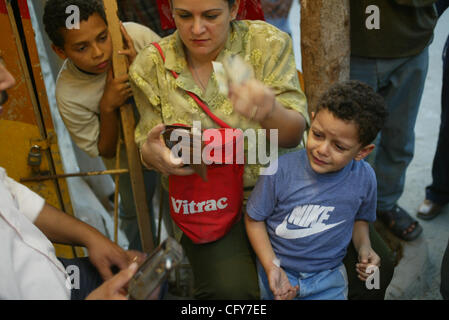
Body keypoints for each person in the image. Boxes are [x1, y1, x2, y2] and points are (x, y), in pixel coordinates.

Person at [130, 0, 308, 299]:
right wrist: (154, 155)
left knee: (353, 270)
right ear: (170, 10)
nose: (197, 29)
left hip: (280, 192)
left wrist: (268, 111)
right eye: (184, 16)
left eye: (211, 16)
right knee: (231, 292)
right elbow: (148, 143)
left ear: (235, 8)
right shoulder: (151, 65)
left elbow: (292, 135)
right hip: (206, 204)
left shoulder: (267, 43)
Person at [0, 58, 143, 300]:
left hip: (60, 277)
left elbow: (16, 199)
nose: (10, 80)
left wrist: (92, 238)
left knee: (142, 276)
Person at [245, 80, 385, 300]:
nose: (322, 149)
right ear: (312, 120)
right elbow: (254, 219)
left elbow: (359, 219)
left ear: (362, 151)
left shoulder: (365, 178)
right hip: (278, 275)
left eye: (339, 146)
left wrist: (364, 247)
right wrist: (272, 267)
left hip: (329, 279)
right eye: (318, 135)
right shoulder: (279, 171)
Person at [42, 0, 160, 251]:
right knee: (136, 213)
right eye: (82, 47)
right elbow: (105, 150)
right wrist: (107, 107)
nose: (98, 52)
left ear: (112, 26)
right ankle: (143, 265)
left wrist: (141, 69)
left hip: (170, 144)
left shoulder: (136, 38)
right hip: (128, 163)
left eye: (103, 37)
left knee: (177, 204)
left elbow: (180, 90)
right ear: (60, 51)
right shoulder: (69, 93)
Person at [349, 0, 439, 241]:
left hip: (410, 44)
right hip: (352, 43)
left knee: (399, 136)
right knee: (349, 137)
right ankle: (348, 209)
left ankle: (386, 203)